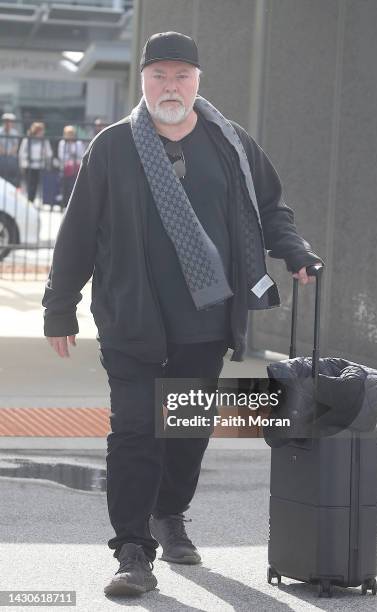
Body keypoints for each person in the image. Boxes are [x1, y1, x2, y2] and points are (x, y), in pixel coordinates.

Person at [42, 31, 323, 597]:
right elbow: (77, 231)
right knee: (135, 430)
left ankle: (169, 515)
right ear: (142, 81)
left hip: (207, 317)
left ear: (198, 81)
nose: (170, 87)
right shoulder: (114, 145)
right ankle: (131, 550)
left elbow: (270, 206)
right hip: (131, 317)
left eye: (181, 76)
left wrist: (293, 250)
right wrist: (59, 306)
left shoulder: (231, 143)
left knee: (187, 427)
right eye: (159, 76)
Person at [18, 122, 53, 202]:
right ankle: (29, 201)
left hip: (39, 166)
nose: (42, 132)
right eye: (41, 130)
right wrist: (21, 165)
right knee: (30, 185)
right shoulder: (27, 140)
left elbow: (49, 153)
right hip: (28, 165)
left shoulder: (44, 141)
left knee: (36, 185)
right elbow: (22, 153)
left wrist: (45, 154)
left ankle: (31, 201)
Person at [57, 125, 85, 207]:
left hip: (75, 169)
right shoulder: (62, 143)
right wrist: (70, 158)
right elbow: (61, 156)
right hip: (65, 168)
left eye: (71, 134)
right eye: (68, 134)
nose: (69, 136)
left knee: (72, 187)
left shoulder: (78, 143)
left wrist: (73, 159)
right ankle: (64, 204)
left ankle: (72, 205)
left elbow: (81, 156)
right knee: (64, 187)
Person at [0, 112, 21, 187]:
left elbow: (16, 146)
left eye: (10, 121)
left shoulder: (14, 133)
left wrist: (9, 154)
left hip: (11, 158)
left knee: (12, 178)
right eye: (6, 121)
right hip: (1, 157)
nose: (8, 123)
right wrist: (4, 153)